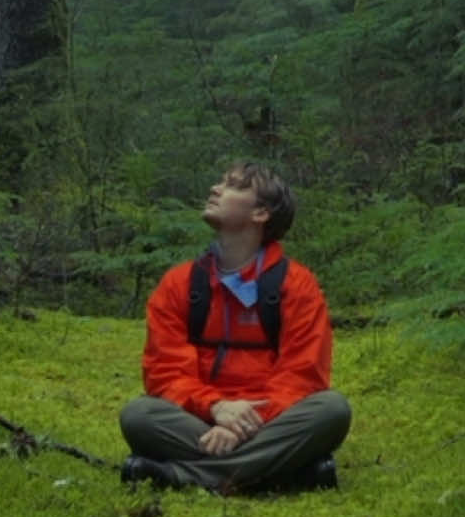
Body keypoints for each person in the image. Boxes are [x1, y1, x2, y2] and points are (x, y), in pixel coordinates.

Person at [119, 162, 351, 493]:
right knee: (139, 415)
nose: (215, 189)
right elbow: (165, 373)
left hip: (269, 419)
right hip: (200, 419)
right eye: (220, 183)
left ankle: (182, 476)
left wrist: (243, 428)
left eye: (233, 186)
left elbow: (303, 375)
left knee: (331, 410)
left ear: (260, 213)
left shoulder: (297, 284)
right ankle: (286, 475)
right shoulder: (179, 283)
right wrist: (216, 407)